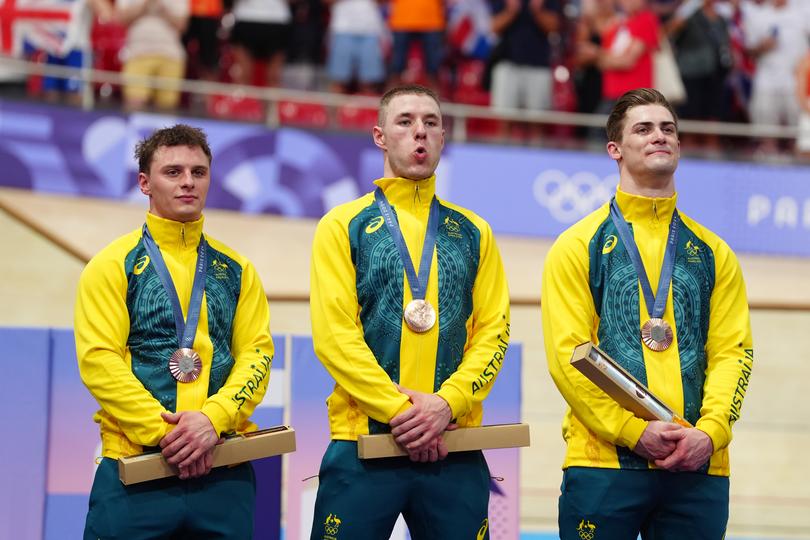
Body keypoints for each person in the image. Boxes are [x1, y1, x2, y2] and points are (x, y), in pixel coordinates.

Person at [542, 88, 754, 540]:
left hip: (699, 465)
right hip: (603, 462)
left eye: (668, 128)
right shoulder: (578, 245)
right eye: (644, 128)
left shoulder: (715, 253)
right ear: (614, 149)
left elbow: (733, 353)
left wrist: (711, 433)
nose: (659, 136)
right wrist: (631, 431)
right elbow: (568, 357)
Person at [308, 85, 511, 539]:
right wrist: (404, 412)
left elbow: (494, 333)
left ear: (442, 137)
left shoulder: (475, 231)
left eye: (431, 123)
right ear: (380, 136)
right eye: (405, 122)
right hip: (363, 444)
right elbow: (334, 336)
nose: (419, 132)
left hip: (454, 444)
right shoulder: (342, 225)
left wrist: (446, 405)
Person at [75, 124, 274, 539]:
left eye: (198, 172)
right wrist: (172, 436)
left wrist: (212, 421)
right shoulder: (113, 265)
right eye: (174, 172)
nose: (188, 182)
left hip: (223, 473)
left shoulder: (237, 269)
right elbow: (100, 362)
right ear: (144, 183)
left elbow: (257, 356)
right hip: (136, 472)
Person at [116, 0, 190, 110]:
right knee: (134, 104)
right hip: (137, 53)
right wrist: (146, 3)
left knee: (166, 109)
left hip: (170, 54)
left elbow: (182, 24)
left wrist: (161, 5)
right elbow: (121, 18)